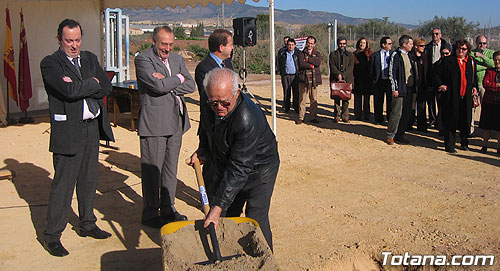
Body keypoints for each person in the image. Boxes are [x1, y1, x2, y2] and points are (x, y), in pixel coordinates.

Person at [40, 18, 114, 257]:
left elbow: (106, 87)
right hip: (68, 131)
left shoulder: (91, 58)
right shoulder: (51, 63)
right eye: (69, 40)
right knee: (63, 185)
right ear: (59, 39)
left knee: (89, 180)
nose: (74, 45)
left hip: (91, 128)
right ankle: (52, 236)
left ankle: (87, 224)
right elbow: (68, 91)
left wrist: (87, 83)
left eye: (77, 40)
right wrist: (91, 83)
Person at [189, 68, 280, 251]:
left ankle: (264, 259)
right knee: (228, 214)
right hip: (231, 163)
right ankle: (230, 253)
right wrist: (203, 149)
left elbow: (240, 168)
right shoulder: (209, 99)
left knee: (255, 217)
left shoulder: (247, 118)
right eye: (214, 103)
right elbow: (207, 126)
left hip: (259, 169)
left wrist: (217, 207)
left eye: (225, 103)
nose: (219, 108)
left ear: (237, 92)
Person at [135, 26, 195, 228]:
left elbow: (191, 85)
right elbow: (156, 86)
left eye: (171, 44)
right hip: (154, 124)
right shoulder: (143, 59)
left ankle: (168, 207)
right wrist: (178, 78)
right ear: (154, 41)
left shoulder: (177, 59)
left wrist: (170, 81)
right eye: (163, 44)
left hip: (176, 122)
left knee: (170, 168)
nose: (168, 48)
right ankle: (151, 212)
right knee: (153, 170)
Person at [194, 29, 234, 203]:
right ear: (221, 46)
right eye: (231, 44)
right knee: (212, 169)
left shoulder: (228, 65)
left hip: (229, 125)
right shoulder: (204, 68)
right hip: (212, 126)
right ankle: (210, 202)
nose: (233, 48)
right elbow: (208, 101)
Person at [433, 39, 478, 153]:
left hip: (466, 97)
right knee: (450, 121)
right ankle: (450, 145)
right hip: (451, 96)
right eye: (459, 48)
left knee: (465, 121)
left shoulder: (471, 61)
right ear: (455, 49)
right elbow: (435, 73)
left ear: (468, 50)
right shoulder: (448, 61)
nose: (461, 51)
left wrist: (474, 86)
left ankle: (464, 143)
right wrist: (440, 85)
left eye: (464, 49)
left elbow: (474, 77)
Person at [386, 35, 415, 145]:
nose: (412, 46)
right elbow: (392, 73)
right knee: (396, 113)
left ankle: (400, 134)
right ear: (404, 44)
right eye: (410, 44)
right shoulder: (396, 55)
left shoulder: (409, 55)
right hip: (399, 89)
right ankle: (391, 135)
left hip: (409, 89)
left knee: (406, 113)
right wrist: (395, 88)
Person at [470, 35, 494, 135]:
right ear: (476, 43)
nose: (482, 45)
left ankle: (488, 131)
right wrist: (485, 67)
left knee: (487, 108)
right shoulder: (471, 53)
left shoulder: (491, 53)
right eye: (480, 43)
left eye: (484, 43)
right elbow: (472, 66)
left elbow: (493, 64)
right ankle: (470, 130)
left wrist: (482, 57)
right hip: (474, 84)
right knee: (472, 108)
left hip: (486, 86)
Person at [425, 28, 448, 128]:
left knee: (441, 102)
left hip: (442, 78)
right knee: (430, 102)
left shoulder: (446, 46)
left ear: (441, 35)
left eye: (437, 34)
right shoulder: (428, 47)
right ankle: (432, 120)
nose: (435, 36)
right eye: (433, 34)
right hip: (431, 76)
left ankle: (441, 122)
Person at [296, 36, 322, 124]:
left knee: (313, 99)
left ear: (314, 44)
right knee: (302, 99)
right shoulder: (301, 53)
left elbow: (318, 62)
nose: (310, 45)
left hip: (314, 80)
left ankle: (313, 117)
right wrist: (311, 65)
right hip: (303, 79)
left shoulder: (317, 53)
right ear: (306, 43)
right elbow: (301, 64)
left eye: (312, 43)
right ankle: (301, 117)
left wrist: (308, 59)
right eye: (308, 43)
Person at [479, 50, 500, 154]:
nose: (497, 62)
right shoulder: (489, 71)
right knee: (486, 126)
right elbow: (485, 84)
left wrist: (492, 86)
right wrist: (496, 86)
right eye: (495, 60)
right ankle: (484, 145)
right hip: (489, 101)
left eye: (499, 60)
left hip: (499, 103)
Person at [330, 37, 354, 123]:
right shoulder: (333, 54)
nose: (342, 45)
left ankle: (345, 116)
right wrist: (338, 74)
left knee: (346, 98)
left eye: (344, 43)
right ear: (337, 44)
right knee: (336, 97)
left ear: (346, 44)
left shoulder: (350, 55)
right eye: (340, 43)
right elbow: (332, 65)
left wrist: (343, 75)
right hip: (336, 79)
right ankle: (336, 115)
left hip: (347, 78)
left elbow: (351, 67)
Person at [370, 37, 393, 124]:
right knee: (378, 101)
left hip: (389, 81)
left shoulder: (393, 54)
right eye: (389, 43)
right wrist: (374, 80)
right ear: (383, 45)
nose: (391, 45)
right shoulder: (374, 55)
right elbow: (371, 70)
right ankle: (378, 119)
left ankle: (390, 119)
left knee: (390, 101)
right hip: (379, 81)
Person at [410, 38, 429, 132]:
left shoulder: (425, 57)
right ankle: (409, 125)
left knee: (422, 106)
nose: (423, 47)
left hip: (423, 85)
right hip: (413, 85)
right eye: (421, 46)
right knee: (411, 106)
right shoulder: (411, 56)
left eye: (424, 46)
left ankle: (422, 126)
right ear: (416, 46)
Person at [353, 37, 373, 121]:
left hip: (367, 79)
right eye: (361, 42)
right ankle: (357, 115)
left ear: (367, 44)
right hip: (357, 78)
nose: (362, 44)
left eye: (364, 43)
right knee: (357, 98)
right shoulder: (354, 54)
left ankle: (367, 115)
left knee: (366, 99)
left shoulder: (370, 54)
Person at [277, 38, 300, 113]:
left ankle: (296, 108)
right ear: (287, 45)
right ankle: (286, 108)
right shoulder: (282, 53)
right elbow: (278, 63)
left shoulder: (298, 53)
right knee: (286, 92)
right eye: (289, 45)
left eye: (292, 45)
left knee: (296, 92)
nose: (290, 46)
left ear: (295, 45)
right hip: (286, 75)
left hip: (295, 76)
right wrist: (280, 72)